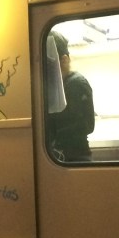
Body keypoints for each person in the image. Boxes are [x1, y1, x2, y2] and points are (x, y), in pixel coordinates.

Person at [48, 31, 96, 161]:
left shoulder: (76, 84)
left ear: (64, 60)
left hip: (75, 159)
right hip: (58, 159)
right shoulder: (53, 87)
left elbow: (85, 126)